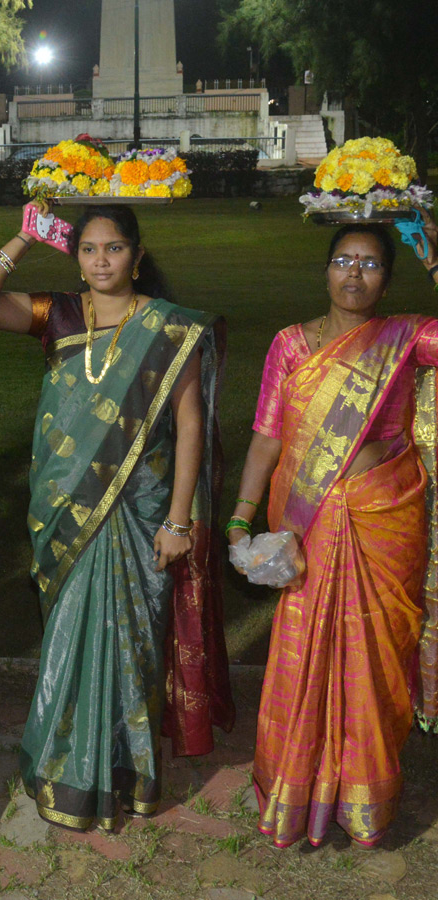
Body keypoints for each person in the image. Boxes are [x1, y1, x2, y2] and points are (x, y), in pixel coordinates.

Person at [0, 202, 231, 830]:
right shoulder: (58, 313)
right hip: (65, 507)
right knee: (67, 635)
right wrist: (23, 236)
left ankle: (122, 774)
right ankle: (65, 767)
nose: (100, 261)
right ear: (76, 256)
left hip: (144, 508)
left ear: (137, 257)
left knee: (134, 644)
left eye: (114, 248)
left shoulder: (171, 329)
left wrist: (178, 521)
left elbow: (191, 425)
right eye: (88, 249)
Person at [228, 218, 438, 849]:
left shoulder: (406, 337)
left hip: (383, 521)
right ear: (324, 269)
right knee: (304, 659)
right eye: (343, 260)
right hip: (310, 525)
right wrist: (241, 514)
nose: (354, 273)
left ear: (388, 278)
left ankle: (365, 799)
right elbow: (268, 435)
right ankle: (298, 795)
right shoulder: (291, 344)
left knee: (373, 662)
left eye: (370, 263)